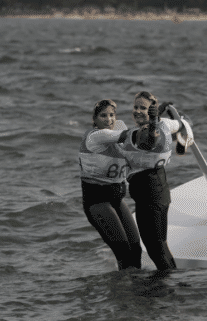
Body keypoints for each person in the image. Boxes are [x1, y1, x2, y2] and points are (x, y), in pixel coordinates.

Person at [120, 91, 187, 270]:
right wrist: (168, 115)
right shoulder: (166, 124)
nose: (138, 111)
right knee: (158, 247)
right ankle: (170, 286)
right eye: (136, 107)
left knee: (156, 248)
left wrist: (154, 122)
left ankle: (168, 287)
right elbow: (182, 124)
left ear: (151, 112)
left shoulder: (149, 130)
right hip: (155, 191)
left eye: (143, 108)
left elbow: (150, 141)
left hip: (151, 192)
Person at [78, 99, 141, 270]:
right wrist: (154, 125)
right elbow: (128, 135)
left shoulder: (118, 135)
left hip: (117, 199)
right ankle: (122, 293)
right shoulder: (96, 136)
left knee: (136, 250)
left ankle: (136, 291)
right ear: (95, 119)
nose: (108, 120)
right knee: (125, 254)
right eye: (103, 116)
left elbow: (137, 145)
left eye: (112, 115)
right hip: (97, 202)